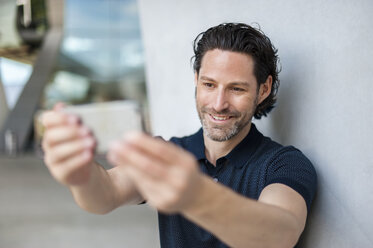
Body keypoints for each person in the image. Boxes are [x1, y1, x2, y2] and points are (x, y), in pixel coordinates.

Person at [42, 23, 317, 248]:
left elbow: (280, 235)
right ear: (196, 79)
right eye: (209, 84)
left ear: (264, 89)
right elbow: (105, 195)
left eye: (236, 89)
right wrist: (81, 172)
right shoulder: (167, 154)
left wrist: (197, 197)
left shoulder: (285, 163)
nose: (219, 103)